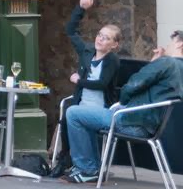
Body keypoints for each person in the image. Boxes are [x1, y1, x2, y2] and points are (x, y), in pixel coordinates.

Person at [63, 30, 183, 183]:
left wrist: (124, 101)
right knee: (86, 116)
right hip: (150, 124)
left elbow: (133, 84)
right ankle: (91, 168)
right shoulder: (179, 67)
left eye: (172, 42)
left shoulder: (167, 62)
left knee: (73, 113)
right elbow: (150, 83)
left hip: (132, 122)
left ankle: (87, 169)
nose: (168, 45)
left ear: (180, 44)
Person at [50, 0, 122, 178]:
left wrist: (78, 80)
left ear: (114, 45)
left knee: (73, 114)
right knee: (69, 114)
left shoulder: (112, 60)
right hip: (82, 105)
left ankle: (86, 167)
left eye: (106, 38)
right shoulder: (87, 51)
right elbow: (71, 31)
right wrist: (80, 9)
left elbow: (101, 84)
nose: (100, 39)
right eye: (99, 35)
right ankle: (80, 164)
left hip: (102, 109)